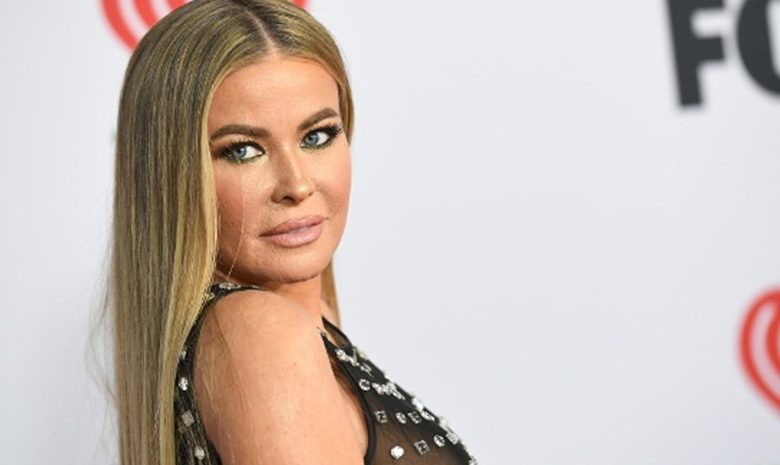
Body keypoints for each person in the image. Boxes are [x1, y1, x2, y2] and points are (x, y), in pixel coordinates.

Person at [109, 1, 478, 464]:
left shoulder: (302, 322)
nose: (297, 185)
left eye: (316, 136)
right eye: (243, 150)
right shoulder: (260, 335)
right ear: (172, 175)